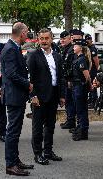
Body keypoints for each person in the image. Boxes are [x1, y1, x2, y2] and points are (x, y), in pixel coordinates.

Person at [1, 22, 34, 176]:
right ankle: (10, 165)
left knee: (16, 130)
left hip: (17, 95)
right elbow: (12, 74)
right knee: (12, 131)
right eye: (26, 32)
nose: (28, 34)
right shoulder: (10, 49)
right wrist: (27, 84)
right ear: (21, 33)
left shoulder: (14, 47)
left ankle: (15, 160)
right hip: (14, 96)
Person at [28, 28, 65, 165]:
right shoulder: (33, 55)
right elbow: (30, 78)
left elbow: (60, 77)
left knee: (50, 126)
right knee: (37, 127)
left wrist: (62, 95)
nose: (44, 41)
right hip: (39, 97)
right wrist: (33, 96)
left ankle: (48, 151)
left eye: (46, 38)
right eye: (41, 38)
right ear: (38, 39)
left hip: (54, 95)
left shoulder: (57, 56)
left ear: (51, 39)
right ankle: (38, 154)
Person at [71, 39, 91, 141]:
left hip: (80, 86)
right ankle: (80, 128)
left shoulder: (82, 59)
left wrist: (89, 85)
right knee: (79, 109)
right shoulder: (78, 58)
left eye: (75, 46)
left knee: (81, 110)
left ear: (81, 48)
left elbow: (87, 76)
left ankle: (83, 131)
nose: (73, 47)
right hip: (76, 86)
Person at [59, 30, 77, 129]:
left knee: (70, 101)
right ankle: (70, 120)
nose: (62, 40)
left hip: (69, 79)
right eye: (61, 38)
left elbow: (71, 66)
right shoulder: (64, 49)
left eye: (64, 38)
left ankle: (71, 121)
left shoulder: (71, 49)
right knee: (68, 100)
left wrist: (69, 79)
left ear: (70, 38)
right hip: (65, 79)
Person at [85, 34, 99, 108]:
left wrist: (96, 69)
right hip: (88, 70)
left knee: (93, 86)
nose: (87, 41)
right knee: (89, 85)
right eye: (86, 39)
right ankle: (90, 100)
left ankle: (94, 101)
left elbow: (96, 61)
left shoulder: (93, 49)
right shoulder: (87, 48)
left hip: (92, 70)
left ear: (91, 40)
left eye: (88, 39)